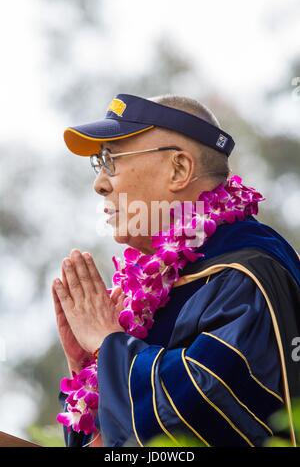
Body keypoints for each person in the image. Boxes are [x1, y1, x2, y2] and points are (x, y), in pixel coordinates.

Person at [53, 94, 300, 447]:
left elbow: (199, 419)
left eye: (111, 160)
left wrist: (109, 344)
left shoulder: (245, 275)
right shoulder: (156, 292)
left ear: (179, 169)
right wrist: (89, 365)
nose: (100, 184)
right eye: (99, 164)